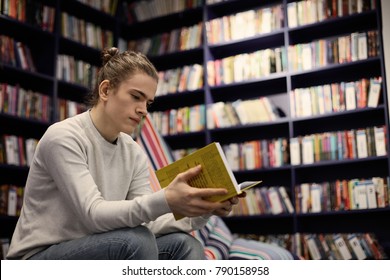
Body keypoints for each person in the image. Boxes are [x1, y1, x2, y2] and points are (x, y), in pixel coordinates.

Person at [6, 48, 242, 260]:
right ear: (106, 89)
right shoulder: (63, 136)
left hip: (97, 245)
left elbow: (148, 220)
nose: (143, 110)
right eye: (136, 96)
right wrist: (166, 199)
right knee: (136, 240)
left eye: (148, 102)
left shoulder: (132, 150)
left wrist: (204, 210)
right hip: (38, 257)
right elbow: (93, 214)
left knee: (185, 245)